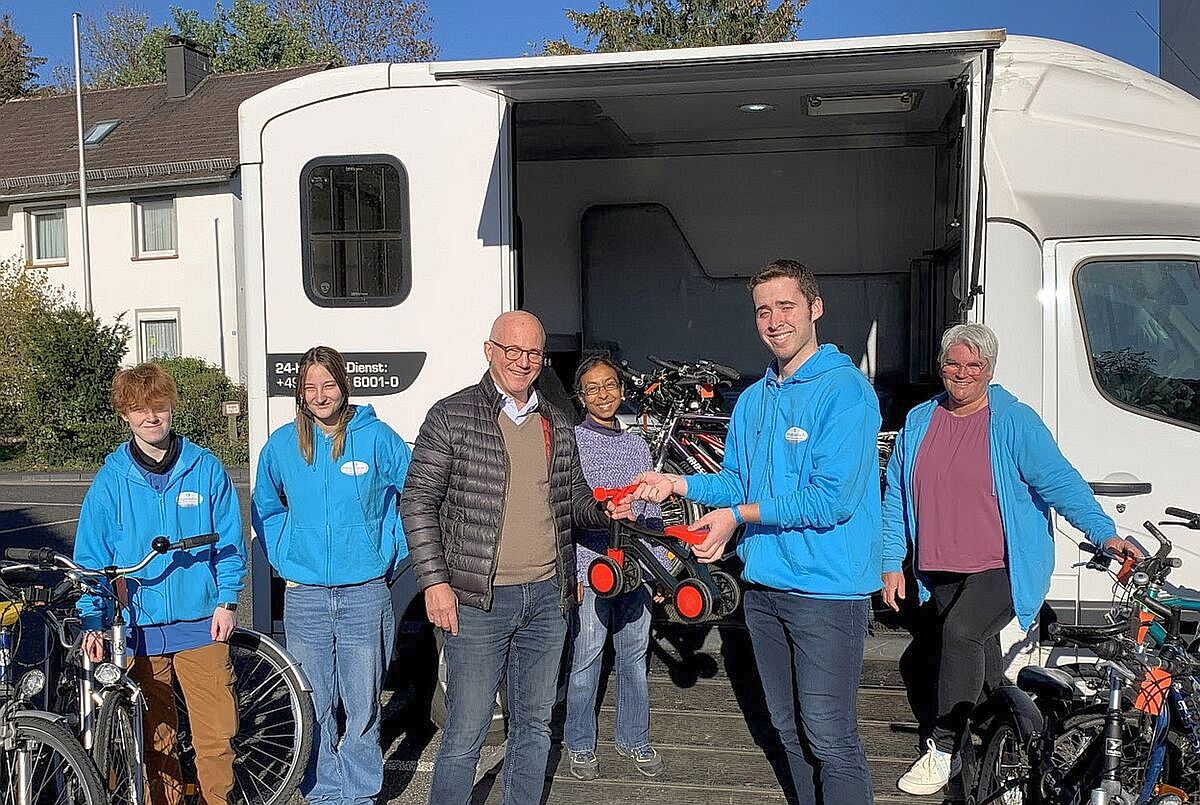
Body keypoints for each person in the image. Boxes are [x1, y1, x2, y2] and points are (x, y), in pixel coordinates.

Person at [626, 259, 881, 805]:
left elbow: (829, 500)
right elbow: (736, 481)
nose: (773, 320)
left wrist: (738, 517)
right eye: (762, 309)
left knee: (830, 738)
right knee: (787, 732)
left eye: (786, 306)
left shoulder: (846, 393)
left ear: (815, 309)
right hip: (765, 588)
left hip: (827, 593)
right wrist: (677, 483)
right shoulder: (754, 399)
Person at [881, 323, 1142, 797]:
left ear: (989, 370)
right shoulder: (920, 421)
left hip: (1001, 565)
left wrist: (1104, 534)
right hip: (940, 567)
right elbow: (897, 498)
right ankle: (1023, 734)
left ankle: (942, 748)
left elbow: (1060, 482)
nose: (961, 374)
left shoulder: (1014, 421)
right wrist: (890, 560)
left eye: (972, 365)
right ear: (940, 367)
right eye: (951, 364)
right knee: (978, 664)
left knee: (960, 637)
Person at [400, 310, 609, 805]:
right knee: (465, 734)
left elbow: (572, 497)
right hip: (476, 602)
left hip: (547, 598)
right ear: (489, 350)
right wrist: (434, 583)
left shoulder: (556, 420)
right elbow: (418, 501)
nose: (523, 361)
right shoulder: (451, 415)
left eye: (534, 352)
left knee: (534, 726)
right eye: (512, 350)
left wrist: (605, 509)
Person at [74, 363, 246, 805]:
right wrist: (94, 622)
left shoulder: (205, 469)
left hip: (201, 625)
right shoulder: (110, 481)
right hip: (136, 632)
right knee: (154, 741)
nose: (151, 417)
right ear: (125, 415)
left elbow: (228, 540)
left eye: (159, 406)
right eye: (139, 409)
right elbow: (91, 563)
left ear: (172, 407)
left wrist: (227, 600)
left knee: (217, 736)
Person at [251, 346, 411, 805]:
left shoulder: (377, 438)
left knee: (362, 706)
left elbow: (414, 494)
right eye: (310, 387)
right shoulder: (282, 445)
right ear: (299, 394)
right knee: (314, 703)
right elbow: (267, 506)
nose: (320, 395)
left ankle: (359, 794)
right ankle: (323, 792)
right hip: (306, 598)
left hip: (365, 593)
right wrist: (284, 554)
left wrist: (390, 546)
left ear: (344, 385)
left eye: (329, 384)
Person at [565, 355, 666, 781]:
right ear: (581, 396)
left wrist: (661, 570)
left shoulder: (636, 443)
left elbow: (651, 511)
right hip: (594, 568)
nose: (603, 394)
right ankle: (580, 742)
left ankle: (634, 737)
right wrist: (572, 574)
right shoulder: (572, 442)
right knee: (587, 656)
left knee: (633, 654)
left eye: (610, 385)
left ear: (622, 390)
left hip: (638, 568)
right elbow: (567, 511)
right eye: (593, 387)